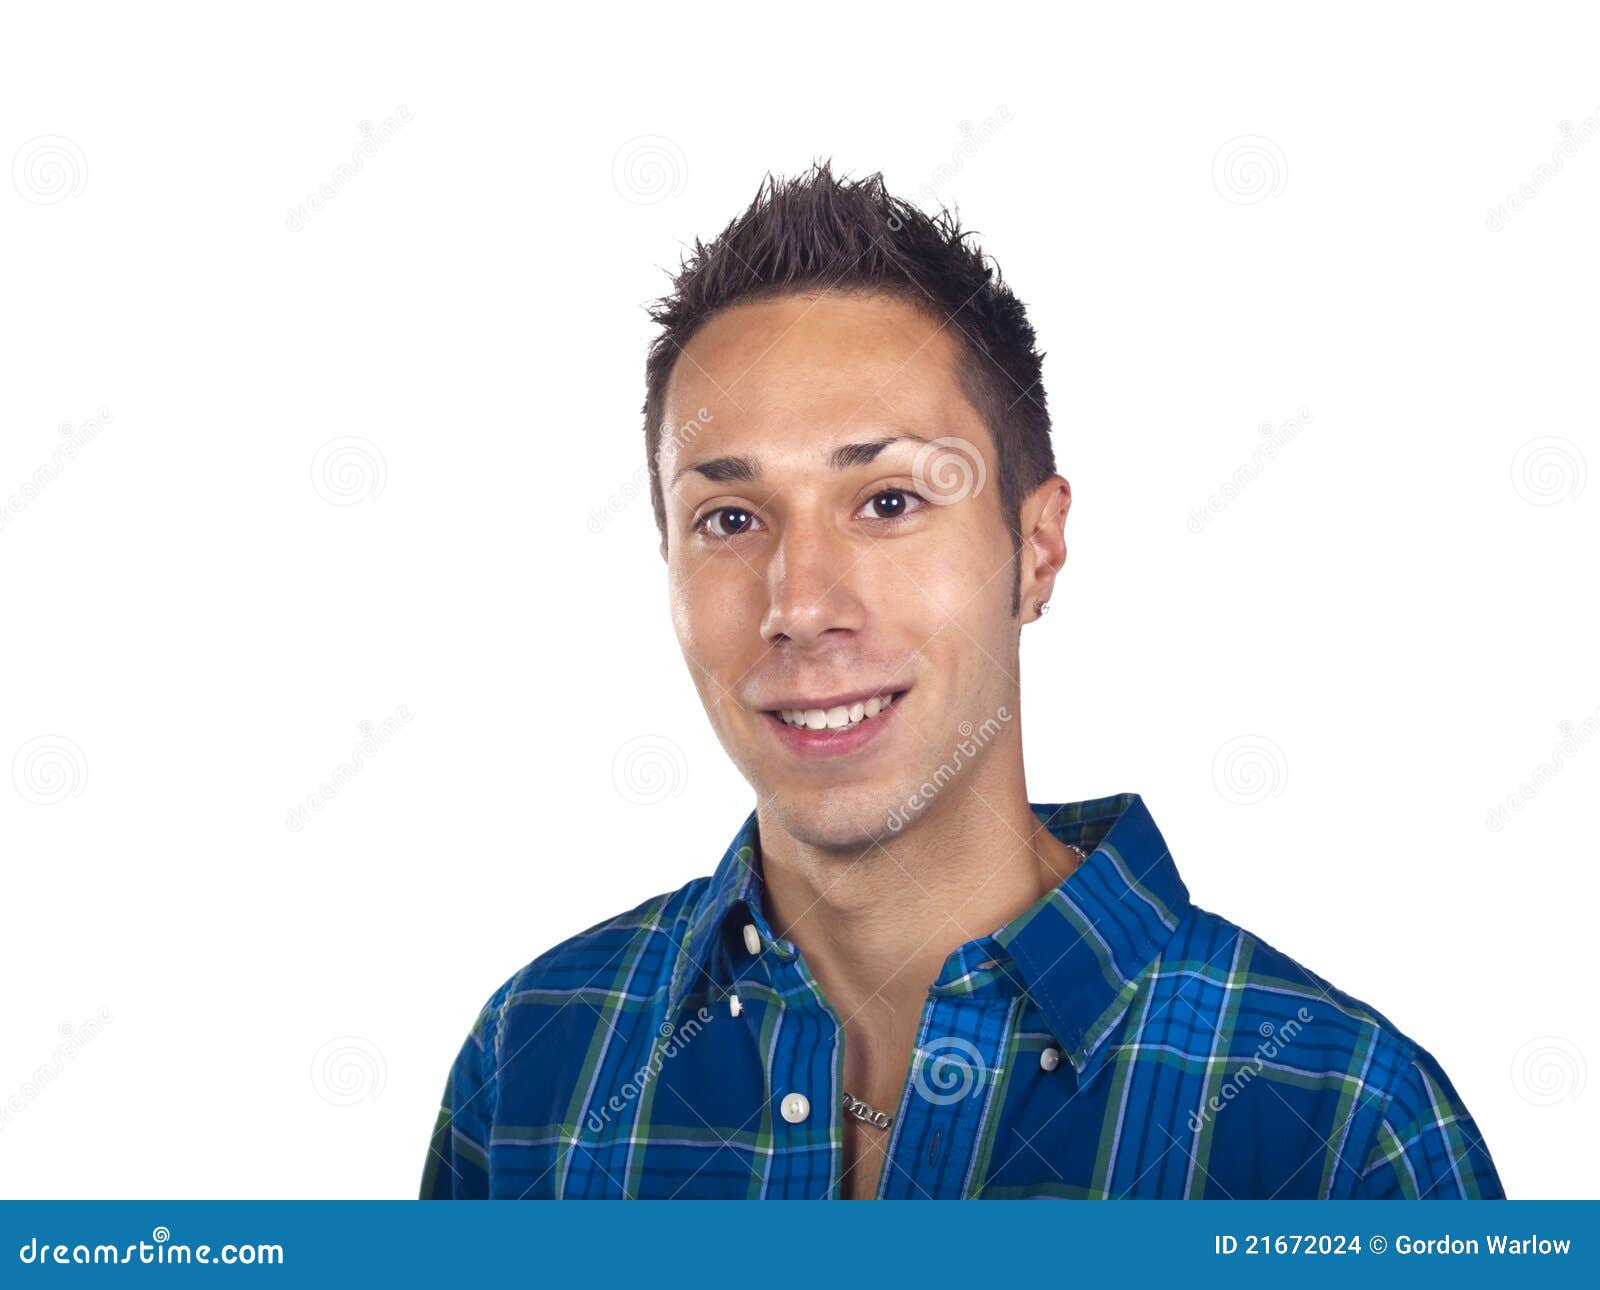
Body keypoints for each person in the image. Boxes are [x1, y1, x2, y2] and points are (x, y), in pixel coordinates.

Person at [421, 164, 1502, 1200]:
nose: (800, 605)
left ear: (1035, 551)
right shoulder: (535, 1066)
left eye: (889, 502)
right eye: (731, 519)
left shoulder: (1335, 1125)